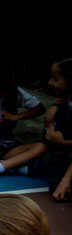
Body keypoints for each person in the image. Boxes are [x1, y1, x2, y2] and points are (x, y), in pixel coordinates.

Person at [43, 58, 72, 201]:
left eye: (56, 79)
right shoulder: (66, 100)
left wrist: (65, 181)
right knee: (50, 159)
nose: (50, 83)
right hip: (63, 152)